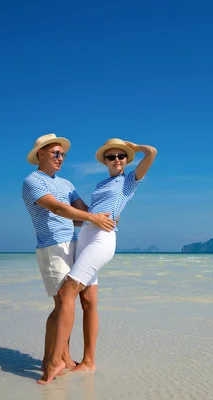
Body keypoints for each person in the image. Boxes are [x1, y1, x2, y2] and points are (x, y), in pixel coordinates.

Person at [38, 138, 157, 384]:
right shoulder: (102, 183)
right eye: (111, 157)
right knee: (87, 300)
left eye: (120, 157)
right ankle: (88, 361)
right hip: (86, 236)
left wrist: (133, 147)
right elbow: (90, 213)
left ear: (126, 160)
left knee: (67, 292)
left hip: (102, 238)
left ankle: (56, 360)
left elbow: (152, 153)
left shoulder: (128, 182)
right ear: (104, 161)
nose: (116, 160)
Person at [22, 133, 116, 373]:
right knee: (62, 303)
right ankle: (56, 358)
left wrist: (108, 212)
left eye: (62, 154)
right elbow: (57, 208)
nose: (60, 157)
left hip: (74, 245)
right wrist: (92, 217)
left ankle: (59, 358)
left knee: (70, 303)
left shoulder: (67, 184)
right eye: (55, 153)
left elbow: (82, 212)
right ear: (41, 154)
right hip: (52, 247)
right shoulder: (33, 181)